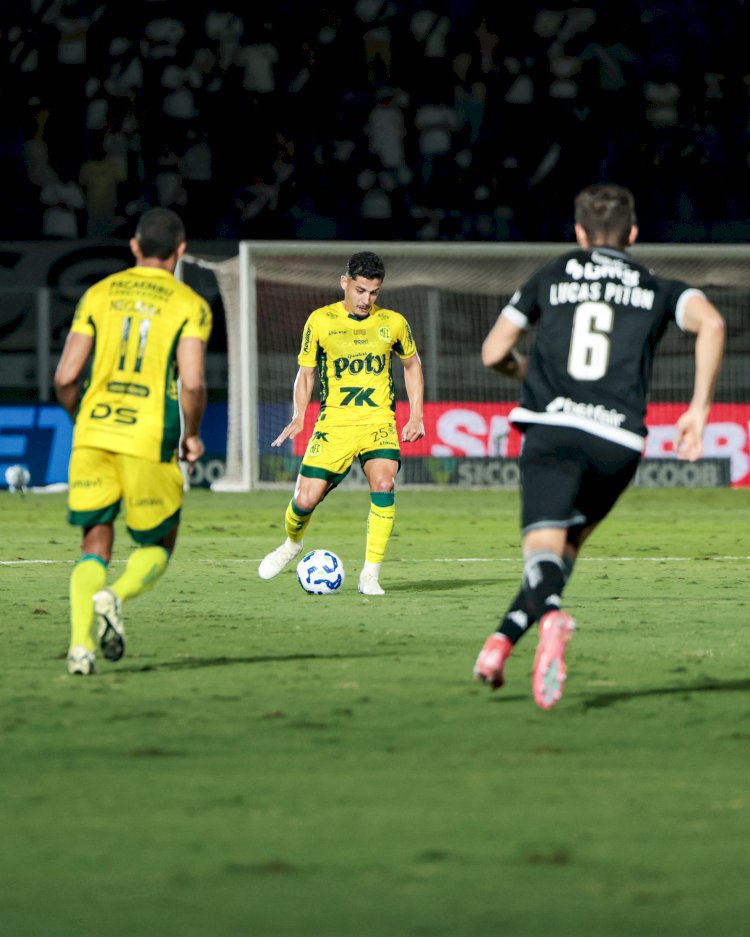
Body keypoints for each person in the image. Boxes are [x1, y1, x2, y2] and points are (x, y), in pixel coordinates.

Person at [473, 183, 725, 709]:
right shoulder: (658, 287)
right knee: (564, 552)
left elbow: (494, 350)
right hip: (619, 444)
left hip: (556, 432)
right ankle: (500, 643)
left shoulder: (554, 273)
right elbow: (713, 324)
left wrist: (524, 372)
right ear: (633, 234)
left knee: (540, 552)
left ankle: (552, 619)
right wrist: (698, 409)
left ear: (580, 232)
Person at [54, 207, 212, 675]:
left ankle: (80, 648)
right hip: (148, 435)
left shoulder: (97, 293)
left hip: (93, 432)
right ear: (180, 251)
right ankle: (115, 597)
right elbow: (194, 383)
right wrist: (193, 434)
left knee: (93, 544)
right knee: (159, 542)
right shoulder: (189, 305)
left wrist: (84, 419)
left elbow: (65, 377)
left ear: (135, 247)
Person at [259, 250, 425, 595]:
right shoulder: (320, 321)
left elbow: (412, 366)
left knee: (384, 484)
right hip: (334, 423)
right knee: (305, 500)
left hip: (377, 420)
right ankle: (291, 544)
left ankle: (370, 576)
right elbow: (306, 373)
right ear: (345, 283)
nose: (367, 299)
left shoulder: (393, 323)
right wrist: (298, 415)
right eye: (361, 290)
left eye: (374, 293)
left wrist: (416, 415)